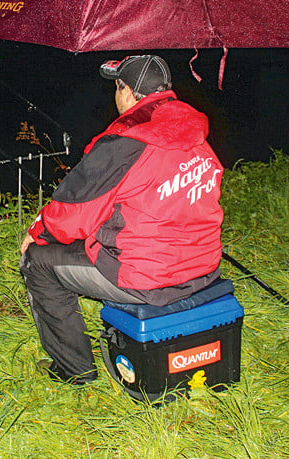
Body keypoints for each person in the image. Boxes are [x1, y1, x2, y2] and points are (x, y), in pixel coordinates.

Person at [20, 54, 225, 384]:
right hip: (202, 267)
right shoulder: (194, 132)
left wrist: (38, 230)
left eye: (117, 88)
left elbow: (71, 217)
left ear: (127, 92)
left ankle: (74, 371)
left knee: (37, 260)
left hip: (149, 278)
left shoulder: (124, 144)